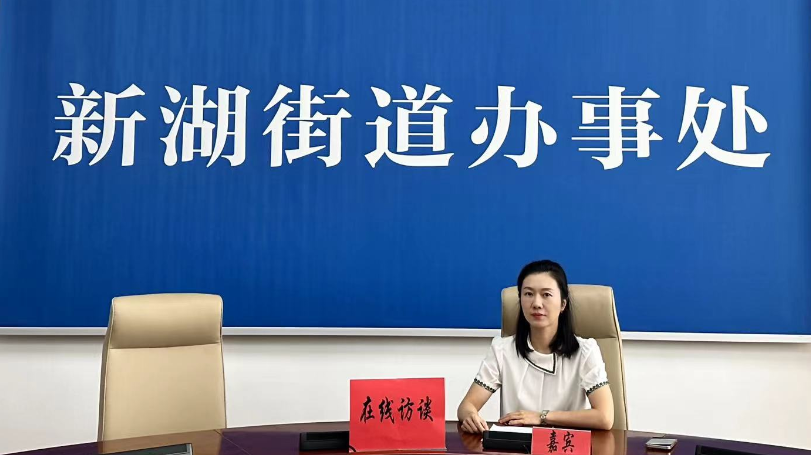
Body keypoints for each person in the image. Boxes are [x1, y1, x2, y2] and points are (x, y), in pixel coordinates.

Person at [457, 260, 614, 432]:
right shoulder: (502, 349)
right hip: (516, 444)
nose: (537, 303)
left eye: (546, 294)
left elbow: (604, 417)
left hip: (564, 444)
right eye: (528, 294)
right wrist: (470, 415)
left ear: (563, 304)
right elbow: (467, 406)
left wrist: (542, 417)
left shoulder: (585, 351)